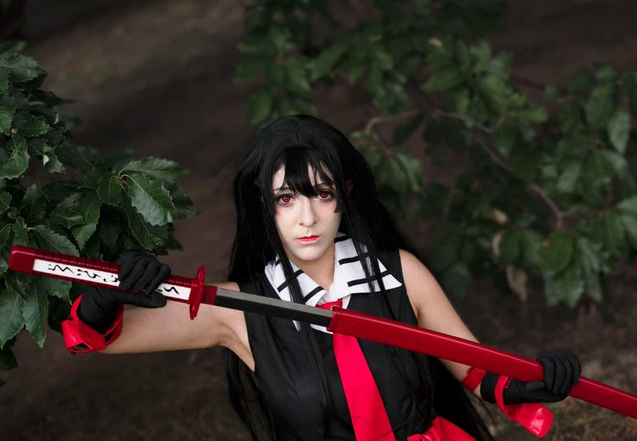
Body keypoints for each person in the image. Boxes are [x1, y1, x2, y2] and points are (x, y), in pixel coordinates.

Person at [62, 115, 581, 440]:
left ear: (345, 195)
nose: (306, 218)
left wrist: (534, 380)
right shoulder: (240, 310)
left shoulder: (399, 274)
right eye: (286, 199)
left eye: (322, 194)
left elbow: (479, 372)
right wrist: (107, 299)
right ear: (264, 206)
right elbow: (103, 337)